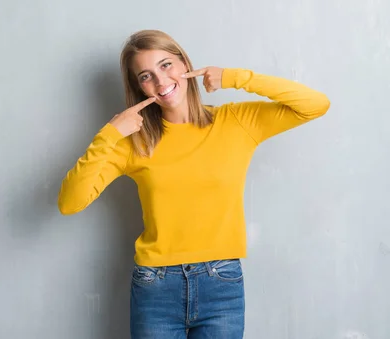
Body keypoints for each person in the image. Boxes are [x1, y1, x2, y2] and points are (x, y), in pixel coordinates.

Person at [57, 29, 330, 339]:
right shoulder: (133, 142)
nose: (160, 81)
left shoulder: (236, 122)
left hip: (221, 284)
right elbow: (70, 202)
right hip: (155, 287)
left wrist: (233, 77)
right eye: (146, 75)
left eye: (165, 65)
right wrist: (109, 134)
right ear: (139, 86)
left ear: (184, 63)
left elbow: (315, 104)